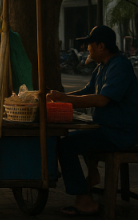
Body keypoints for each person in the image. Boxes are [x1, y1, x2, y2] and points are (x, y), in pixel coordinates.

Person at [47, 25, 138, 217]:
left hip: (121, 133)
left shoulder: (120, 66)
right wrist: (60, 97)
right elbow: (86, 92)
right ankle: (91, 177)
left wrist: (65, 99)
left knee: (66, 145)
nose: (86, 48)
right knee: (78, 137)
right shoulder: (101, 67)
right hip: (106, 129)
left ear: (101, 46)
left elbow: (102, 99)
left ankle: (84, 201)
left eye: (89, 45)